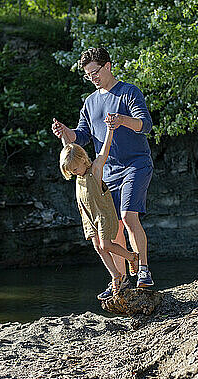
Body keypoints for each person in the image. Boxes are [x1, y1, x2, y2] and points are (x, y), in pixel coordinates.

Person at [52, 47, 154, 294]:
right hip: (106, 173)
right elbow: (83, 136)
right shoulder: (90, 102)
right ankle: (120, 280)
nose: (93, 77)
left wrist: (121, 120)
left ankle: (143, 269)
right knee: (112, 228)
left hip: (136, 165)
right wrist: (66, 133)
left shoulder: (129, 92)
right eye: (88, 75)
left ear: (108, 66)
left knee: (129, 217)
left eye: (95, 72)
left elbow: (145, 125)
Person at [59, 115, 139, 300]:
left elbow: (104, 151)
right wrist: (64, 133)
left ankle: (132, 257)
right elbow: (67, 149)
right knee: (98, 247)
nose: (74, 173)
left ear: (84, 161)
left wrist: (110, 130)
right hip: (88, 216)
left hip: (103, 215)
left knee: (106, 244)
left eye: (75, 169)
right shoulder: (76, 170)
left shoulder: (94, 170)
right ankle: (116, 277)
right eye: (70, 171)